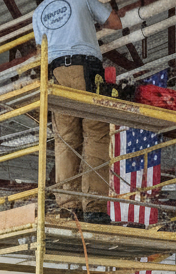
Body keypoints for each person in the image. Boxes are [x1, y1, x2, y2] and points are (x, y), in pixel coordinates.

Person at [32, 0, 123, 224]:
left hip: (56, 74)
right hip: (85, 68)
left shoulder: (39, 12)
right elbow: (115, 23)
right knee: (95, 134)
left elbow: (40, 51)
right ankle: (94, 207)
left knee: (66, 139)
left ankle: (68, 207)